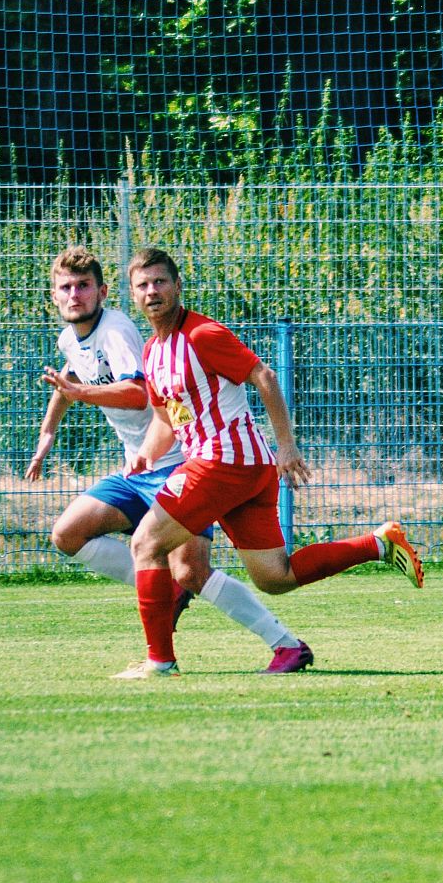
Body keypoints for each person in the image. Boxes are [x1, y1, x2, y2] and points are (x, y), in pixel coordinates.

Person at [115, 247, 424, 679]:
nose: (152, 291)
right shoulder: (152, 351)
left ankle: (160, 662)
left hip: (224, 461)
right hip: (242, 467)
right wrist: (146, 454)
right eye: (143, 285)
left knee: (146, 544)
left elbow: (264, 376)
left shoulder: (202, 335)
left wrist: (287, 446)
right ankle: (378, 544)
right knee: (274, 576)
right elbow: (168, 419)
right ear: (133, 295)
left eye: (160, 281)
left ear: (178, 286)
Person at [25, 245, 304, 667]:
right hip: (140, 463)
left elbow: (139, 395)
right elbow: (71, 375)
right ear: (53, 296)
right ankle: (163, 592)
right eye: (65, 288)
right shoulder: (72, 338)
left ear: (103, 292)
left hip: (177, 462)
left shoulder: (116, 331)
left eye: (83, 286)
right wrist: (48, 432)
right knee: (68, 533)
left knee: (192, 571)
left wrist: (81, 395)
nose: (74, 295)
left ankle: (277, 643)